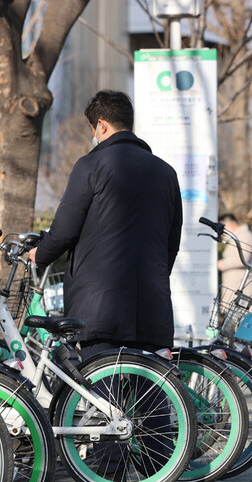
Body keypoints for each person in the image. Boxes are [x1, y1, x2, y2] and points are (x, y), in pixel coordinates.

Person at [30, 89, 183, 360]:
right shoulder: (166, 172)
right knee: (149, 392)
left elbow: (64, 229)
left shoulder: (90, 165)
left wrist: (39, 255)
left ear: (101, 125)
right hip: (152, 307)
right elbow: (172, 244)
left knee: (103, 395)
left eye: (93, 128)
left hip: (101, 308)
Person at [217, 213, 252, 314]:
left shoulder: (245, 236)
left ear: (229, 225)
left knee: (243, 324)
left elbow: (241, 260)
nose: (222, 233)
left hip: (243, 291)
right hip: (235, 289)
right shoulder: (238, 237)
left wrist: (220, 264)